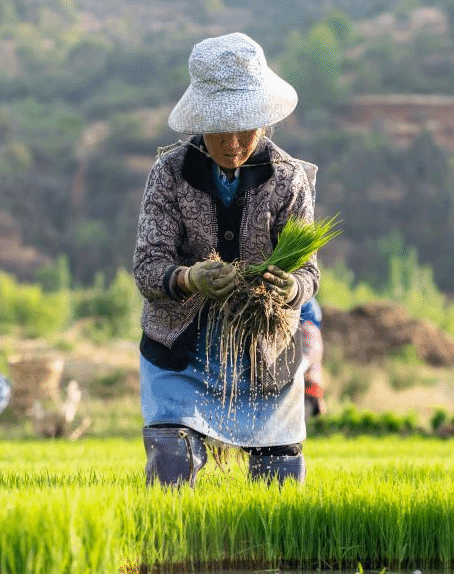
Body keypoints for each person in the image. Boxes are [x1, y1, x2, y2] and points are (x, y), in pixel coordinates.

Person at [133, 32, 319, 487]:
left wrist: (290, 287)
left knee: (279, 470)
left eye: (246, 127)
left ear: (264, 120)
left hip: (264, 347)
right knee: (171, 463)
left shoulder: (289, 179)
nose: (234, 142)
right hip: (182, 344)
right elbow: (147, 266)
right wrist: (191, 278)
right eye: (221, 129)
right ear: (202, 122)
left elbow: (309, 273)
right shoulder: (169, 174)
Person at [298, 298, 327, 418]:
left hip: (306, 372)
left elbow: (310, 350)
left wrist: (300, 369)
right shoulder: (310, 306)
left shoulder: (308, 328)